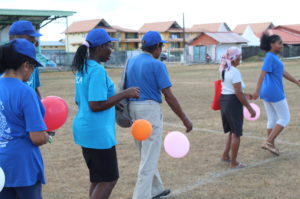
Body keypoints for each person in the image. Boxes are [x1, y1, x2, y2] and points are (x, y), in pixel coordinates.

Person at [71, 28, 140, 199]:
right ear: (100, 47)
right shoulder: (97, 70)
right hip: (97, 133)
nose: (111, 50)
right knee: (109, 179)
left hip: (85, 129)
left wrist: (115, 104)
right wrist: (125, 94)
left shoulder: (83, 67)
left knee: (98, 178)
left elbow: (81, 100)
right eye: (110, 46)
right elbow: (94, 105)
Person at [125, 31, 193, 199]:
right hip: (149, 111)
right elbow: (168, 96)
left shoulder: (130, 61)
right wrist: (185, 119)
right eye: (161, 46)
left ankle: (156, 190)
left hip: (133, 109)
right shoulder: (157, 65)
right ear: (157, 46)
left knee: (145, 154)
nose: (161, 50)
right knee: (149, 158)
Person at [0, 39, 50, 199]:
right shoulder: (26, 92)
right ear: (26, 65)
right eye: (35, 66)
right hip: (23, 166)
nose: (33, 71)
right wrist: (46, 136)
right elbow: (36, 138)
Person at [252, 32, 300, 155]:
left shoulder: (273, 56)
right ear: (271, 44)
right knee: (285, 117)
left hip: (267, 92)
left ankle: (271, 147)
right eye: (279, 43)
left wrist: (296, 81)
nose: (282, 45)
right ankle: (268, 142)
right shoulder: (270, 57)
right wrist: (256, 91)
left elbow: (282, 72)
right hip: (273, 91)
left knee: (272, 118)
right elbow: (261, 74)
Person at [219, 47, 255, 169]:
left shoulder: (224, 69)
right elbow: (237, 93)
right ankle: (233, 163)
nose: (241, 58)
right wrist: (250, 108)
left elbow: (232, 90)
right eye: (239, 56)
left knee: (231, 131)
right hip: (232, 102)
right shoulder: (234, 71)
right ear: (234, 59)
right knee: (236, 133)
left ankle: (225, 155)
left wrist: (246, 94)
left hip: (224, 100)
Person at [5, 20, 43, 98]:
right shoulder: (3, 63)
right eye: (29, 43)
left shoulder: (32, 62)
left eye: (34, 43)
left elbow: (35, 89)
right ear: (13, 38)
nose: (32, 47)